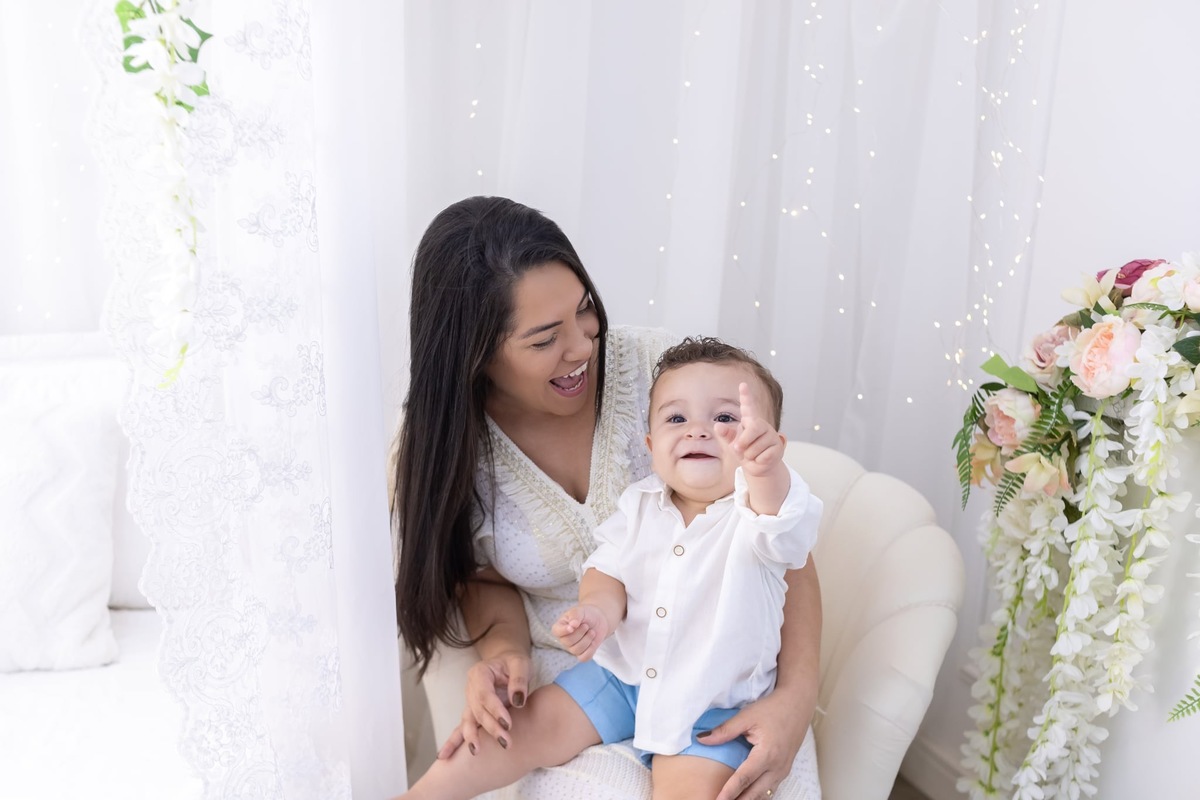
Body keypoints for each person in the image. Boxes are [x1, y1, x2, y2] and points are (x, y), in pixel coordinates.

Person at [393, 196, 823, 799]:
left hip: (719, 690)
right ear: (475, 353)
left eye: (584, 311)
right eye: (545, 339)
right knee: (527, 737)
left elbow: (789, 551)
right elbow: (545, 573)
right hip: (602, 664)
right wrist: (512, 646)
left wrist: (795, 701)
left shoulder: (671, 377)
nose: (582, 346)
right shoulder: (458, 449)